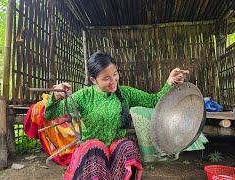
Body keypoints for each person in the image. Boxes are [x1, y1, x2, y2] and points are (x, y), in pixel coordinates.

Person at [44, 50, 189, 180]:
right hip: (93, 152)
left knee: (128, 146)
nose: (113, 81)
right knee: (95, 149)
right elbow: (50, 114)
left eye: (115, 74)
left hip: (116, 150)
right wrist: (56, 96)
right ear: (93, 80)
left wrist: (170, 82)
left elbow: (154, 101)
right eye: (106, 78)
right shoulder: (84, 96)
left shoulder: (126, 93)